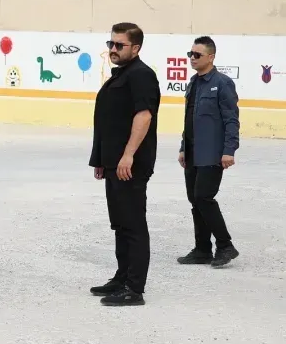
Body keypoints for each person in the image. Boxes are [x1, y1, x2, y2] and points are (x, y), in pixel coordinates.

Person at [88, 22, 161, 307]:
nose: (113, 50)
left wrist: (128, 155)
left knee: (133, 224)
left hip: (130, 164)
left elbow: (143, 117)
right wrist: (101, 160)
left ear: (136, 48)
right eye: (111, 44)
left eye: (119, 45)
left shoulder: (141, 76)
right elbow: (108, 121)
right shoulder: (122, 75)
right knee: (120, 224)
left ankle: (134, 287)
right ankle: (121, 277)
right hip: (114, 163)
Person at [177, 36, 241, 267]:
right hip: (193, 152)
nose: (192, 59)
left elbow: (231, 119)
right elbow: (189, 120)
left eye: (197, 55)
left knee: (204, 197)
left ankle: (225, 245)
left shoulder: (222, 83)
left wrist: (229, 150)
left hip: (212, 153)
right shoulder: (193, 83)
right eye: (190, 54)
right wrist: (184, 148)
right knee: (194, 200)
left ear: (211, 57)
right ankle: (202, 249)